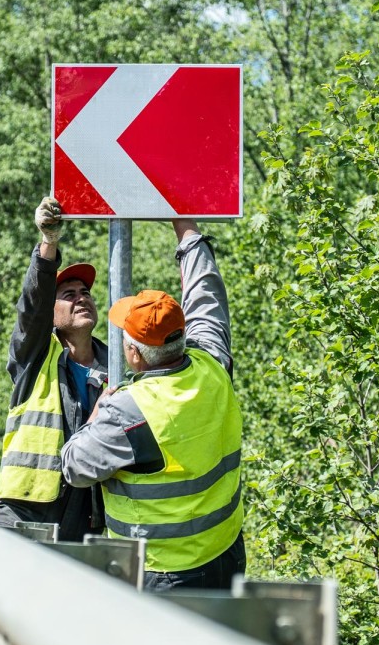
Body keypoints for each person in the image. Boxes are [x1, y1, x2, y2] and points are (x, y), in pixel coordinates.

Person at [60, 217, 244, 591]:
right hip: (226, 553)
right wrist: (185, 226)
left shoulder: (127, 411)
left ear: (134, 356)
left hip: (162, 573)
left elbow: (74, 467)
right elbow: (206, 294)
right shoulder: (212, 363)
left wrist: (95, 417)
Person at [0, 196, 106, 542]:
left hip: (85, 516)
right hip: (23, 511)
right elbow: (32, 306)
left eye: (85, 292)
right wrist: (48, 244)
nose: (81, 297)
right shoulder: (35, 355)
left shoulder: (115, 366)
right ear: (52, 315)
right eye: (68, 294)